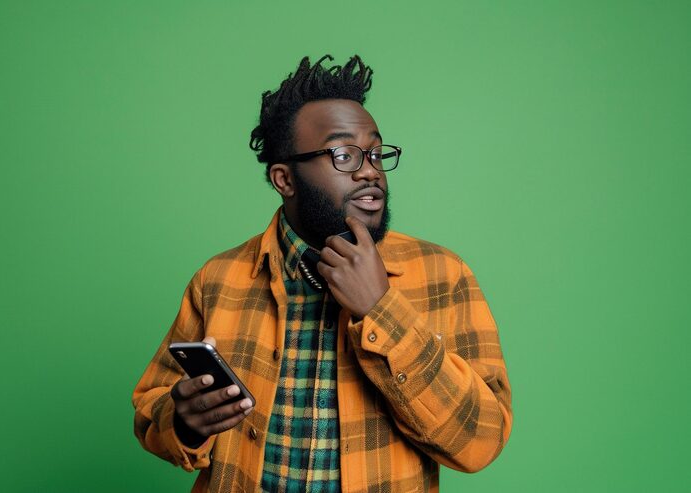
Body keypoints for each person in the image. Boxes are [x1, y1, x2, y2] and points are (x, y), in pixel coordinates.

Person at [133, 55, 512, 493]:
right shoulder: (218, 279)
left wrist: (380, 309)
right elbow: (150, 411)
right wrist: (183, 423)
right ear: (284, 179)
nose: (369, 170)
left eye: (375, 154)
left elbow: (481, 442)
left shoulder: (444, 275)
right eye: (344, 154)